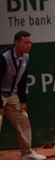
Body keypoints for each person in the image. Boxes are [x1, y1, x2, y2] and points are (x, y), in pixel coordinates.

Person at [0, 31, 46, 160]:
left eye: (30, 42)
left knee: (23, 118)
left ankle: (27, 153)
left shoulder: (25, 57)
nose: (29, 45)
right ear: (16, 42)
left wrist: (23, 100)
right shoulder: (4, 56)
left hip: (11, 94)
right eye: (26, 42)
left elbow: (22, 79)